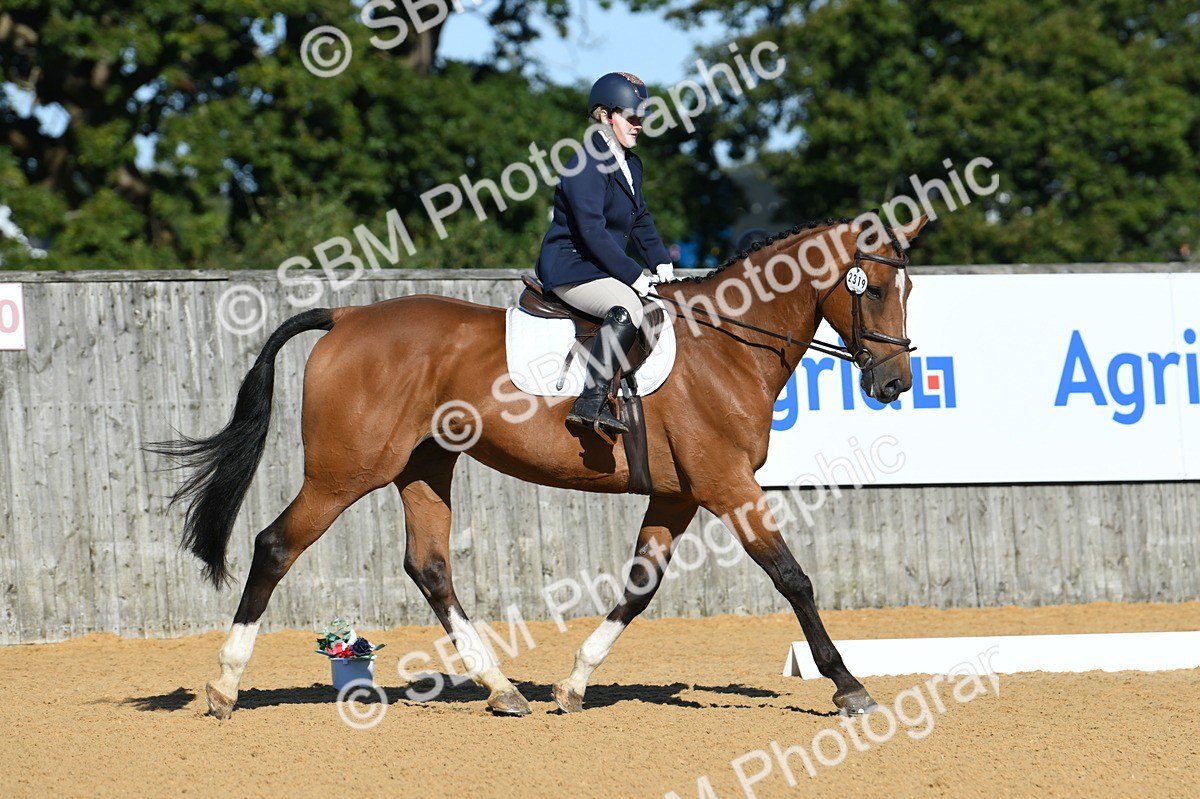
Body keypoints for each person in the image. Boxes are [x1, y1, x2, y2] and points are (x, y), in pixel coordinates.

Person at [535, 72, 675, 437]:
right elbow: (591, 231)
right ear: (604, 116)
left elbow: (639, 218)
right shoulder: (584, 162)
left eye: (642, 117)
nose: (639, 124)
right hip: (571, 266)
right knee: (628, 307)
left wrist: (660, 261)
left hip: (600, 266)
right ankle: (590, 399)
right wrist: (633, 274)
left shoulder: (632, 164)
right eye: (632, 117)